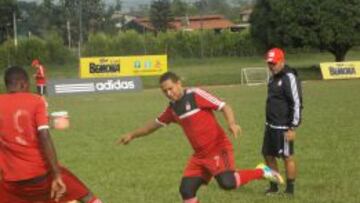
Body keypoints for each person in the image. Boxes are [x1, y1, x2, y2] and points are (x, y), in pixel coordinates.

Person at [117, 71, 284, 203]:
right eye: (164, 91)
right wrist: (132, 134)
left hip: (219, 148)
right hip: (200, 157)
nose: (168, 93)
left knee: (227, 183)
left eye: (170, 88)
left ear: (178, 84)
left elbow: (224, 106)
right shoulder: (173, 110)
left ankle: (261, 171)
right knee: (186, 190)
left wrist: (232, 123)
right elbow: (152, 126)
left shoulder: (196, 95)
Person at [0, 66, 103, 203]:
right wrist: (56, 174)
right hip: (42, 175)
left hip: (12, 182)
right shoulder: (36, 100)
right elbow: (44, 135)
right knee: (87, 196)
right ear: (23, 83)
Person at [262, 48, 303, 195]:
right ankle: (274, 186)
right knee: (268, 155)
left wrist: (292, 127)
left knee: (287, 157)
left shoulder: (289, 77)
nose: (271, 66)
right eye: (269, 63)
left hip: (284, 127)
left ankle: (290, 190)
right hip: (270, 126)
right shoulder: (272, 78)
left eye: (273, 63)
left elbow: (297, 103)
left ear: (282, 61)